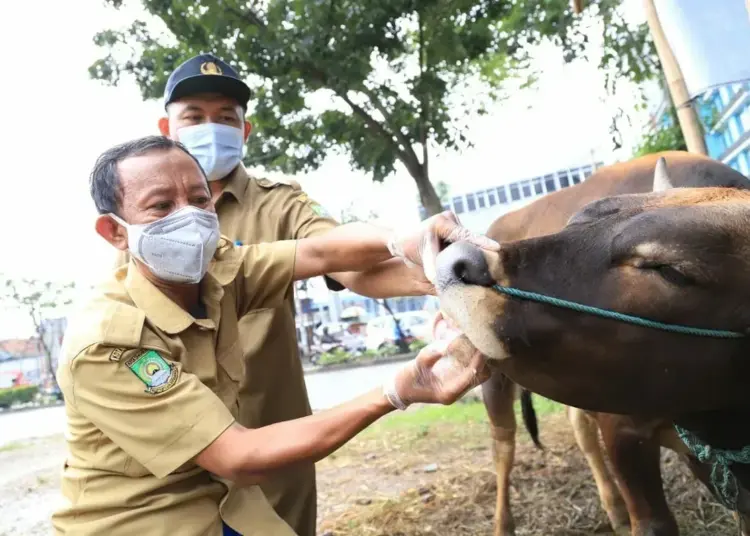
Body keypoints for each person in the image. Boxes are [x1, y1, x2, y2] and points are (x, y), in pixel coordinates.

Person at [113, 52, 488, 535]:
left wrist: (443, 271)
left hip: (275, 431)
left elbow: (341, 258)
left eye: (226, 117)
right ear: (168, 128)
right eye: (194, 117)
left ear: (245, 131)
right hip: (180, 434)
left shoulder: (280, 202)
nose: (211, 128)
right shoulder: (142, 219)